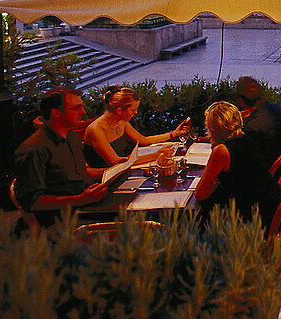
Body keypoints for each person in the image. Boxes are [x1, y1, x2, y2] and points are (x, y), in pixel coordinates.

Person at [13, 87, 108, 227]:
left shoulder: (70, 136)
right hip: (65, 220)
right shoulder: (34, 149)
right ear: (56, 113)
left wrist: (113, 171)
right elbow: (34, 202)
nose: (83, 112)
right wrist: (80, 199)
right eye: (77, 108)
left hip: (85, 206)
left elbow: (82, 172)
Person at [194, 101, 281, 226]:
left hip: (256, 218)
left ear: (212, 127)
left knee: (202, 212)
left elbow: (200, 193)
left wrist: (216, 183)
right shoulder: (246, 139)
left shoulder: (221, 151)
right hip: (270, 207)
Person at [83, 87, 191, 167]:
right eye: (133, 110)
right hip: (105, 180)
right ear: (119, 110)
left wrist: (173, 134)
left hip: (123, 171)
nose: (136, 112)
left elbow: (144, 140)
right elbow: (116, 161)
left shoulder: (121, 122)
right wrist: (156, 155)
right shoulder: (96, 129)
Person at [233, 76, 281, 169]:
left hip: (263, 174)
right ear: (262, 95)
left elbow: (237, 153)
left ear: (240, 101)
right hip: (280, 169)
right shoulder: (278, 109)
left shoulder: (253, 127)